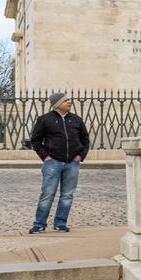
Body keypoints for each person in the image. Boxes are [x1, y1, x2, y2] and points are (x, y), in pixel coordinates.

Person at [26, 92, 89, 233]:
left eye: (69, 100)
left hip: (72, 163)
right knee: (47, 194)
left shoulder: (76, 120)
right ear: (57, 104)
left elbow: (85, 139)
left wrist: (80, 155)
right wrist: (45, 157)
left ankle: (60, 223)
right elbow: (35, 140)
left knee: (67, 195)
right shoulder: (44, 120)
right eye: (66, 100)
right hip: (52, 163)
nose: (69, 102)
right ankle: (39, 224)